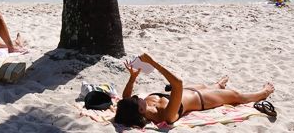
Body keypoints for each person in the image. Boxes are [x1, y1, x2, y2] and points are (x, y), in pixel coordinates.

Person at [115, 53, 275, 127]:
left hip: (189, 92)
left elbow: (125, 97)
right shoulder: (165, 115)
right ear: (141, 109)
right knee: (237, 96)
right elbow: (178, 84)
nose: (136, 96)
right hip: (201, 100)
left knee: (207, 86)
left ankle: (218, 85)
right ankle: (264, 92)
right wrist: (153, 63)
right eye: (137, 100)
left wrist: (133, 77)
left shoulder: (139, 108)